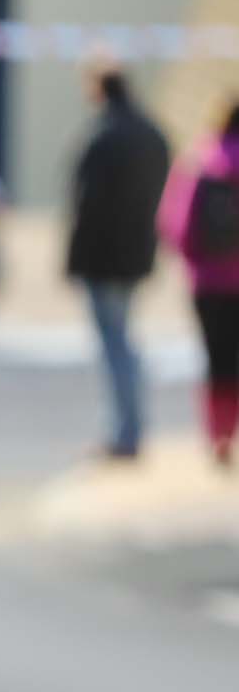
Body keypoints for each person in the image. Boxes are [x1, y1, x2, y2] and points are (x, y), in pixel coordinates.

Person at [68, 65, 174, 463]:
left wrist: (74, 260)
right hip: (136, 255)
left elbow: (85, 204)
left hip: (104, 259)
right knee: (123, 342)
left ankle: (126, 432)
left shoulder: (104, 136)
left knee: (117, 346)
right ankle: (128, 427)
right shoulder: (151, 134)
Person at [159, 98, 239, 468]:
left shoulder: (202, 160)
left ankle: (218, 435)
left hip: (208, 281)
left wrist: (195, 262)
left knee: (215, 359)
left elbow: (176, 222)